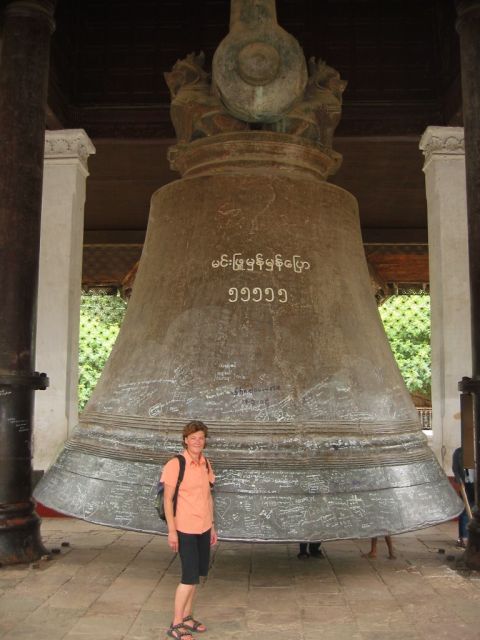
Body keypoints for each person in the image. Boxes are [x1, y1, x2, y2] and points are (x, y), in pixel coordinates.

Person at [162, 421, 217, 640]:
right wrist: (172, 531)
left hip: (203, 527)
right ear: (185, 440)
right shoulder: (176, 464)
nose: (197, 441)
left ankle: (187, 616)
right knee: (188, 577)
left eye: (201, 437)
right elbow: (167, 500)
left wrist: (212, 526)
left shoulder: (205, 463)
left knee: (196, 576)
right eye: (193, 437)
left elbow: (208, 497)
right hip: (184, 528)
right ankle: (176, 623)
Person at [452, 446, 475, 548]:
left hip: (476, 484)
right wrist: (459, 480)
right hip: (465, 484)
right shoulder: (459, 452)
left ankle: (471, 537)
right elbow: (455, 468)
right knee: (465, 511)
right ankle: (463, 538)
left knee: (474, 509)